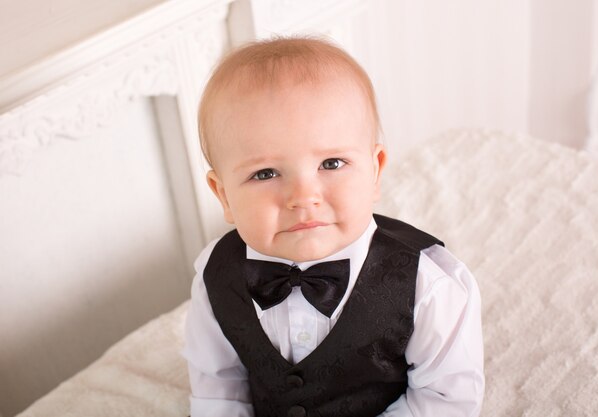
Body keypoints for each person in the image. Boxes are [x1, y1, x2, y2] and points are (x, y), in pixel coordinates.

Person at [183, 36, 484, 417]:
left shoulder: (430, 285)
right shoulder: (215, 275)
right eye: (266, 173)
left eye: (331, 164)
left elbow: (445, 400)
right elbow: (218, 386)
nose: (303, 196)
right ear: (223, 195)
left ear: (374, 171)